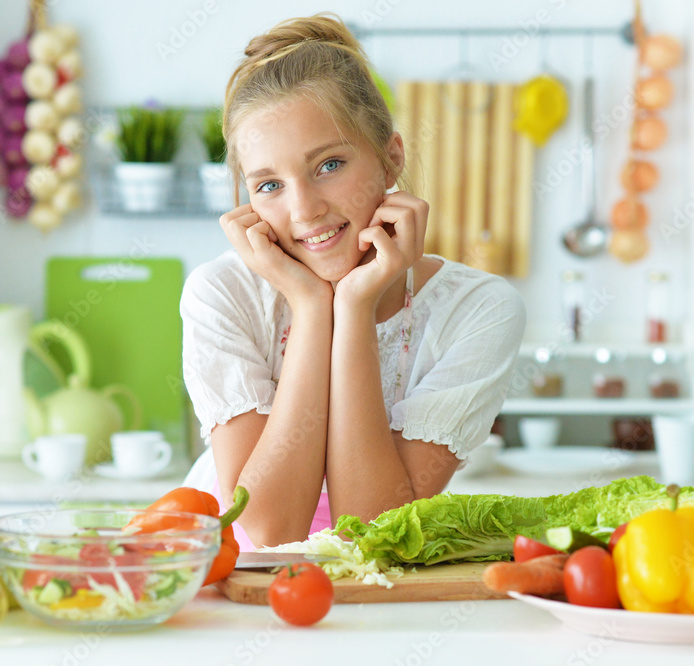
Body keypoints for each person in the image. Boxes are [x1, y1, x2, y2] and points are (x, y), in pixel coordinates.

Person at [181, 12, 525, 550]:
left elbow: (371, 531)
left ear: (391, 159)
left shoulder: (478, 310)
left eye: (329, 165)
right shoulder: (223, 294)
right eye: (269, 184)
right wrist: (314, 308)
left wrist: (355, 309)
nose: (304, 211)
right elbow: (264, 530)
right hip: (231, 589)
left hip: (378, 595)